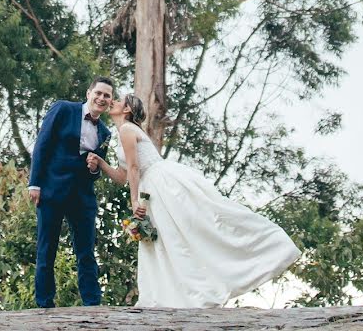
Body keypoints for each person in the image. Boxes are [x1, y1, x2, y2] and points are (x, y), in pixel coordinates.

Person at [89, 94, 301, 308]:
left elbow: (135, 168)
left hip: (161, 183)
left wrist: (135, 202)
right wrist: (101, 163)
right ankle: (174, 295)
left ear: (126, 110)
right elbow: (124, 176)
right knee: (167, 240)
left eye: (117, 100)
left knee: (190, 230)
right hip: (150, 187)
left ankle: (272, 245)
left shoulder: (126, 129)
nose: (112, 101)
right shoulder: (122, 133)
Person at [28, 76, 114, 308]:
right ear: (88, 93)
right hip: (52, 191)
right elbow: (42, 143)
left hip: (83, 197)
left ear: (110, 101)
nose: (102, 98)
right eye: (99, 93)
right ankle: (45, 304)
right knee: (47, 249)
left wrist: (95, 168)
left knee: (86, 252)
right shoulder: (63, 109)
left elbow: (96, 170)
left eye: (107, 95)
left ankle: (93, 304)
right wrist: (34, 183)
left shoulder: (105, 133)